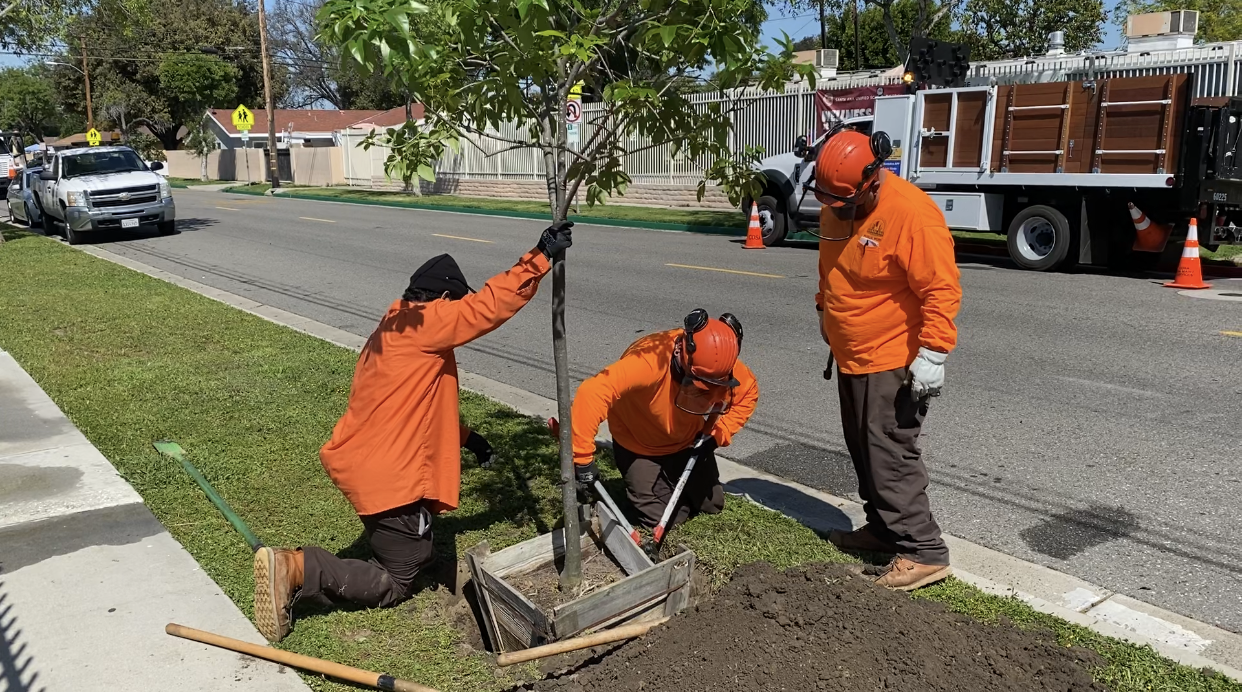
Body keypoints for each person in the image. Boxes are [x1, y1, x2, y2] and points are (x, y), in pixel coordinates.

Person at [251, 222, 573, 642]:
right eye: (453, 304)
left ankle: (411, 547)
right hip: (387, 474)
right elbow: (486, 308)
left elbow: (417, 409)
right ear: (442, 298)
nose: (455, 318)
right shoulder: (426, 322)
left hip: (368, 459)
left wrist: (470, 439)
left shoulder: (394, 327)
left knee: (417, 541)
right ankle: (298, 568)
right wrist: (540, 256)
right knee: (400, 578)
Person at [811, 128, 962, 591]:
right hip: (851, 354)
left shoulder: (913, 214)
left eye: (845, 202)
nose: (837, 210)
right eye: (831, 202)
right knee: (862, 447)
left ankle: (923, 550)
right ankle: (883, 529)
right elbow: (833, 269)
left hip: (893, 357)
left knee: (889, 449)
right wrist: (825, 310)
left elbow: (941, 288)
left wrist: (934, 352)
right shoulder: (838, 203)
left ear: (873, 179)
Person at [571, 311, 758, 530]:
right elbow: (593, 392)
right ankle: (649, 486)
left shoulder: (722, 365)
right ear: (683, 351)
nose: (706, 390)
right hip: (640, 446)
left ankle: (673, 481)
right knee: (669, 520)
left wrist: (717, 435)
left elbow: (748, 394)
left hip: (689, 440)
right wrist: (582, 457)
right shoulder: (649, 361)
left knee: (713, 505)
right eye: (699, 384)